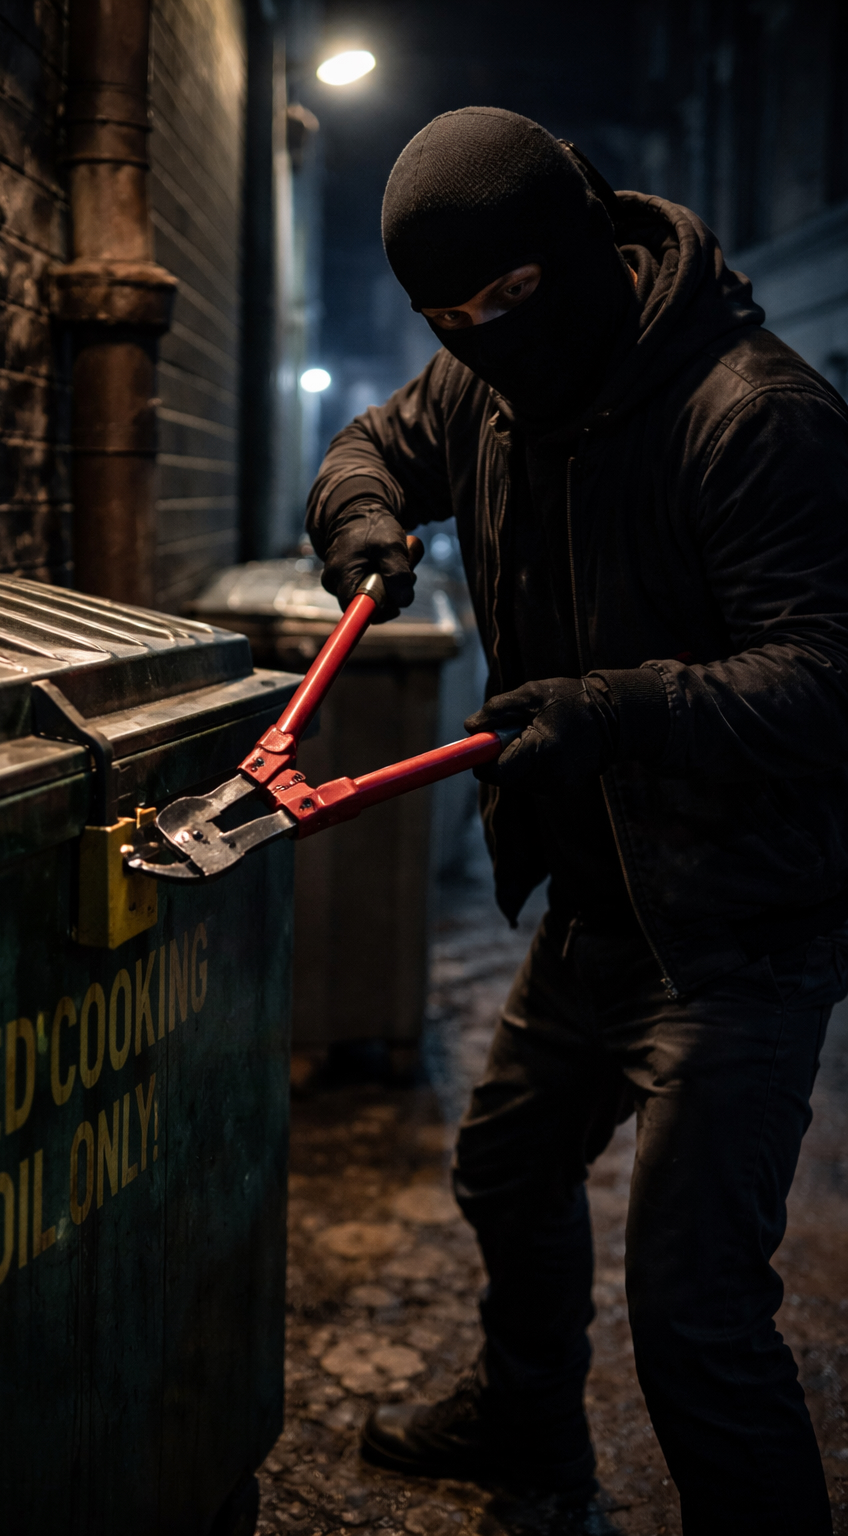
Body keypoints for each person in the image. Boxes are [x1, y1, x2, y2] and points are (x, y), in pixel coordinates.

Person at [306, 108, 848, 1536]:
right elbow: (371, 443)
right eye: (451, 319)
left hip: (742, 928)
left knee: (695, 1308)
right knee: (508, 1167)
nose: (486, 337)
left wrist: (614, 708)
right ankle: (530, 1424)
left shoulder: (754, 415)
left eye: (510, 298)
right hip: (600, 905)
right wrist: (360, 519)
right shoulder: (484, 388)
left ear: (583, 243)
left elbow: (827, 674)